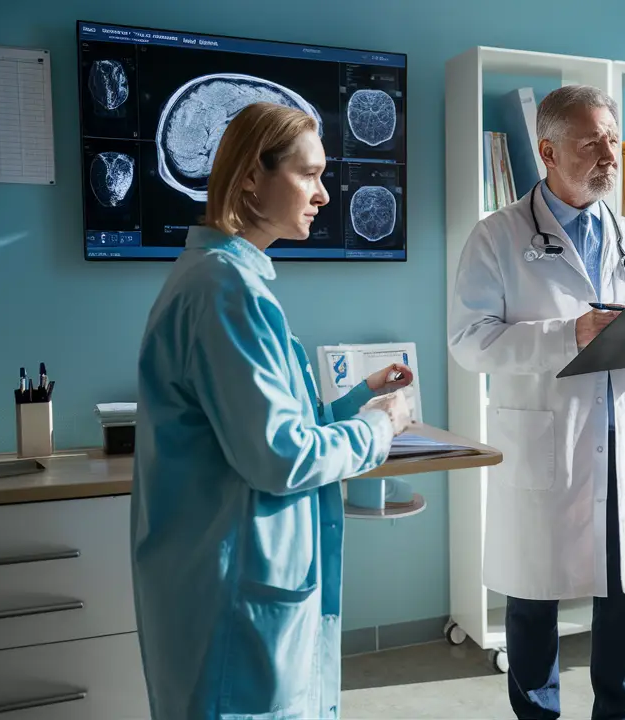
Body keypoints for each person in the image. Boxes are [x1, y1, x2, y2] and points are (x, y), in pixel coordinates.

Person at [130, 102, 414, 719]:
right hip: (231, 604)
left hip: (221, 591)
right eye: (309, 175)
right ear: (252, 177)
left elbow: (264, 429)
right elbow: (281, 457)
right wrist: (376, 429)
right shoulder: (225, 290)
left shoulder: (220, 278)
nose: (324, 196)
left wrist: (358, 397)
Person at [448, 84, 625, 719]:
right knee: (533, 599)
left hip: (620, 440)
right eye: (591, 142)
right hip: (545, 446)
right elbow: (469, 343)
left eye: (613, 139)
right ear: (548, 150)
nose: (609, 153)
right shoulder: (496, 237)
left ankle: (619, 713)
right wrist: (565, 336)